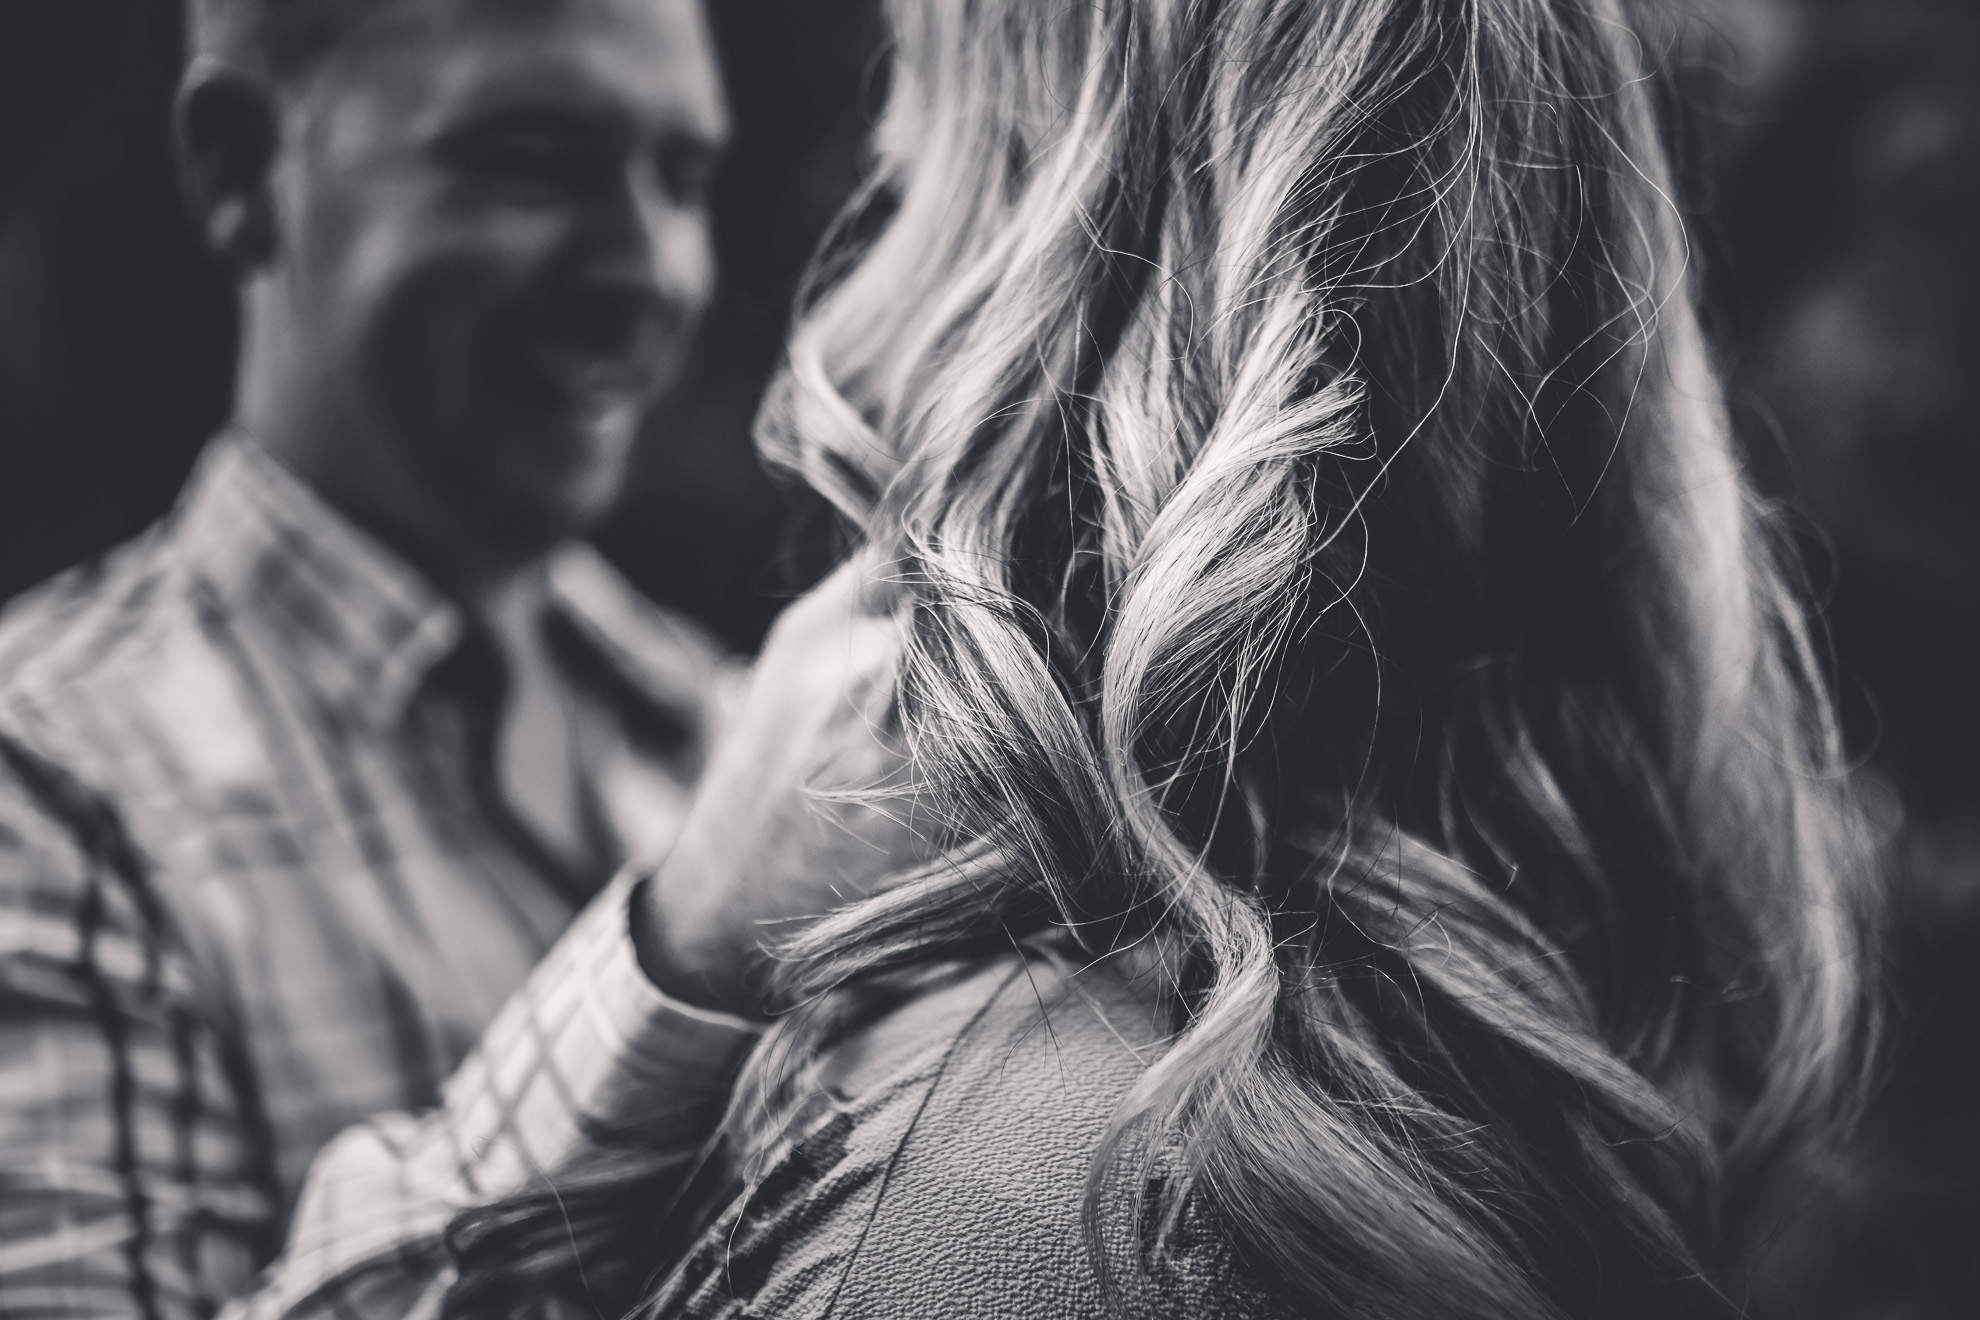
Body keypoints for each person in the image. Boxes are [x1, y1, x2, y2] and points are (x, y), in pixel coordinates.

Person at [429, 0, 1877, 1316]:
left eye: (903, 170)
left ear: (1034, 261)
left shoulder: (988, 1210)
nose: (851, 300)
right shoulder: (1502, 1043)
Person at [0, 0, 746, 1313]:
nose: (653, 267)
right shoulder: (45, 788)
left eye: (683, 178)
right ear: (242, 170)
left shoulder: (724, 722)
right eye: (533, 158)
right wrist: (675, 956)